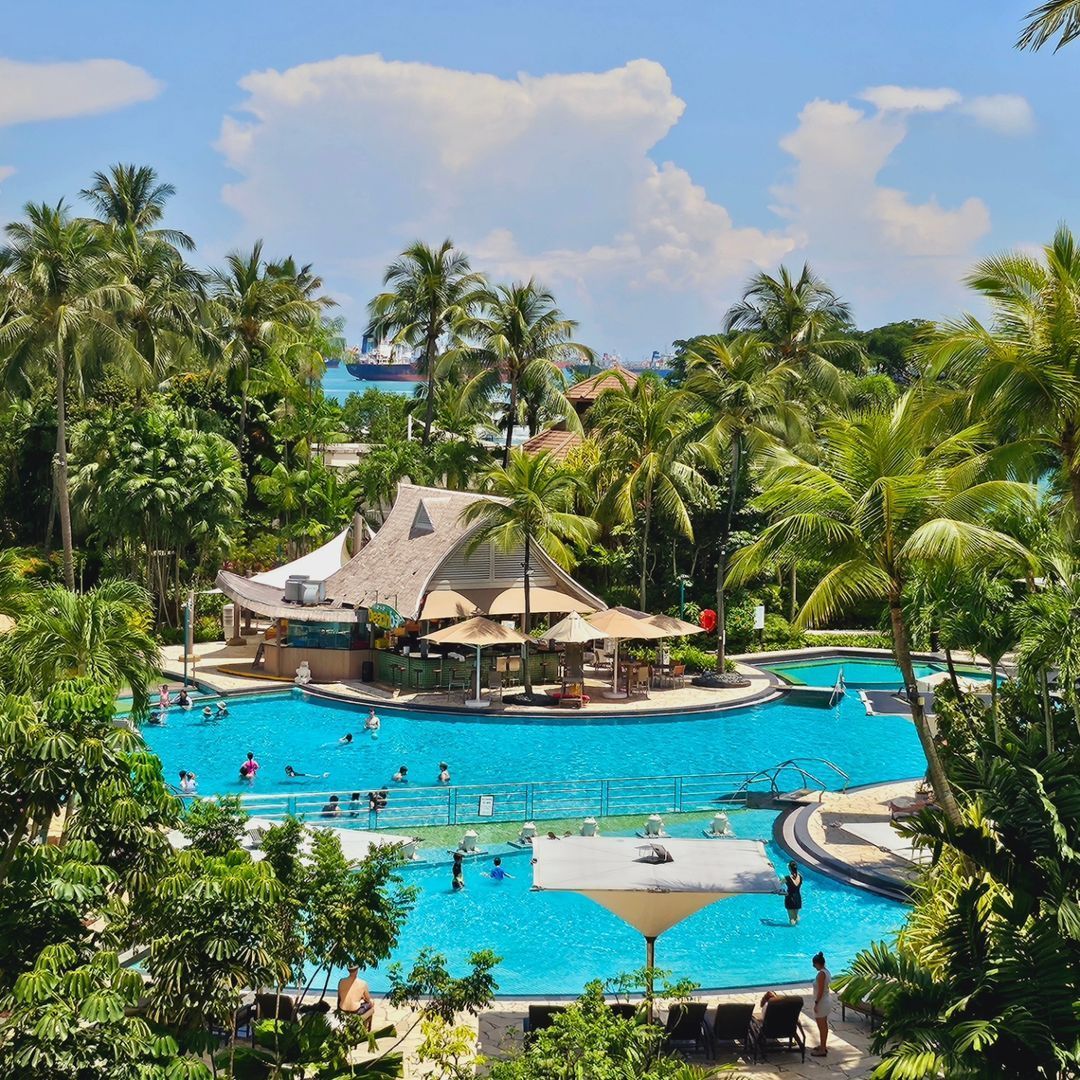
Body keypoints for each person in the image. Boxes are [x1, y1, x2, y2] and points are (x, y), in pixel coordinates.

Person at [810, 952, 832, 1056]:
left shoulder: (821, 974)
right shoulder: (826, 971)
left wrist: (816, 1003)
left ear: (818, 963)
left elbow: (820, 991)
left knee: (821, 1026)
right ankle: (823, 1045)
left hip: (822, 1002)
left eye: (814, 964)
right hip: (826, 1000)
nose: (813, 966)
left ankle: (823, 1049)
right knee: (824, 1025)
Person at [782, 861, 803, 926]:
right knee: (796, 916)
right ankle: (798, 926)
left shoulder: (787, 878)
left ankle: (792, 929)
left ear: (789, 869)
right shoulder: (800, 877)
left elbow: (778, 884)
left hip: (790, 898)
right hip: (798, 898)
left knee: (792, 918)